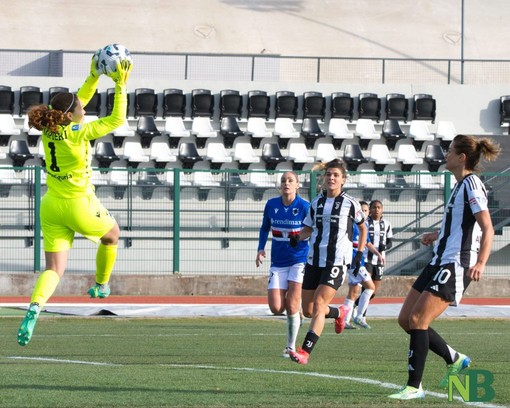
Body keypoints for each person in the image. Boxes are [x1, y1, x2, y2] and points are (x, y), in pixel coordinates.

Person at [17, 52, 132, 346]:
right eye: (80, 107)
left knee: (54, 269)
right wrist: (120, 85)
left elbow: (77, 98)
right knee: (112, 236)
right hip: (78, 203)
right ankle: (101, 285)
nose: (85, 106)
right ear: (70, 115)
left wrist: (94, 75)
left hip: (51, 205)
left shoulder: (49, 128)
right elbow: (118, 118)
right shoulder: (79, 131)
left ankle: (34, 307)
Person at [388, 134, 500, 400]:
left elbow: (487, 228)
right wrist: (436, 236)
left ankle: (414, 386)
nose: (445, 154)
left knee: (418, 320)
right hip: (439, 259)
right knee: (406, 319)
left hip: (455, 263)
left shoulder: (472, 184)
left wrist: (481, 263)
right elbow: (462, 226)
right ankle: (455, 358)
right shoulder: (459, 185)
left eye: (450, 151)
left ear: (461, 157)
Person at [287, 159, 367, 365]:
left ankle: (304, 351)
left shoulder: (350, 204)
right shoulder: (316, 203)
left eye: (336, 175)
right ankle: (340, 312)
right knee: (308, 309)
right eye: (329, 174)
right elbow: (308, 229)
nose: (331, 178)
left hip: (337, 262)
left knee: (320, 304)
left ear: (343, 180)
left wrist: (359, 253)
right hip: (314, 260)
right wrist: (297, 237)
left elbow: (363, 228)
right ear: (324, 177)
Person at [256, 171, 310, 358]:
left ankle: (290, 347)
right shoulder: (271, 205)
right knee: (276, 307)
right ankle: (297, 314)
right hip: (278, 262)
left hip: (299, 259)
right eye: (283, 180)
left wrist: (301, 237)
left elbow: (312, 230)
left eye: (290, 180)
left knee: (292, 305)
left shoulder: (304, 206)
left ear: (297, 185)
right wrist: (260, 248)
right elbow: (264, 227)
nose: (286, 183)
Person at [343, 201, 384, 329]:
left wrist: (378, 254)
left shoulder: (364, 226)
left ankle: (344, 320)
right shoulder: (351, 225)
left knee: (353, 291)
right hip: (353, 261)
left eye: (366, 211)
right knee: (370, 287)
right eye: (362, 210)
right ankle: (359, 316)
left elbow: (368, 244)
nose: (364, 213)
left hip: (358, 261)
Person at [354, 199, 393, 328]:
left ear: (382, 209)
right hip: (366, 259)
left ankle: (355, 306)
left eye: (379, 207)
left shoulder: (386, 224)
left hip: (379, 260)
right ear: (370, 210)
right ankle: (361, 316)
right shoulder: (365, 222)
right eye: (374, 207)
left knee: (373, 291)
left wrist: (384, 247)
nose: (376, 209)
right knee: (367, 287)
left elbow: (390, 242)